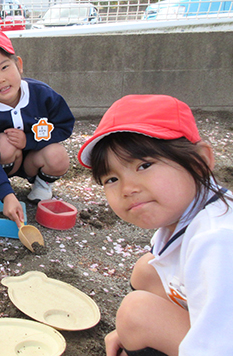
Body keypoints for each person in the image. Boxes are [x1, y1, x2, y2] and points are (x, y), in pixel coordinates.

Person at [77, 94, 233, 356]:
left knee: (136, 313)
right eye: (112, 179)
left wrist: (142, 328)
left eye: (144, 165)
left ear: (201, 161)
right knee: (147, 270)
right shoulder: (192, 211)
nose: (128, 189)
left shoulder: (217, 240)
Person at [0, 29, 74, 225]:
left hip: (34, 162)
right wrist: (6, 195)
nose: (0, 79)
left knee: (58, 156)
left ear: (19, 65)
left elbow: (65, 125)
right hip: (7, 162)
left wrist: (29, 141)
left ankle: (41, 185)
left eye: (5, 67)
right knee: (4, 145)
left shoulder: (43, 95)